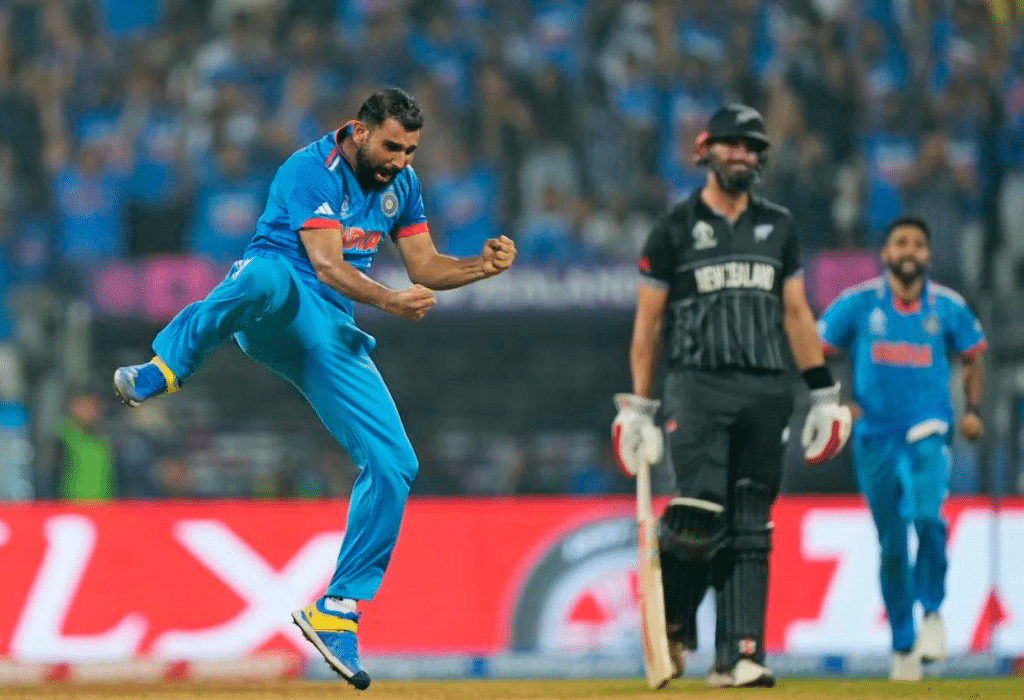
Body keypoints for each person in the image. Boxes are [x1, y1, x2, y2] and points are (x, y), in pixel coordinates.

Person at [112, 88, 516, 689]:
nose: (400, 160)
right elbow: (326, 264)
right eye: (391, 146)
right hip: (279, 304)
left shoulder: (401, 185)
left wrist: (480, 266)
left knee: (395, 464)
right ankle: (167, 366)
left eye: (409, 150)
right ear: (358, 130)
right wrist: (390, 301)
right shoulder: (308, 169)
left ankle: (338, 610)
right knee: (264, 275)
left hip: (330, 332)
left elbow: (426, 266)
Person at [611, 104, 851, 688]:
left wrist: (821, 393)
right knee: (697, 516)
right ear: (705, 151)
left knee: (751, 522)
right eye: (731, 145)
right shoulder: (672, 228)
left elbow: (796, 314)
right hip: (697, 386)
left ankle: (738, 655)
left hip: (767, 388)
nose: (742, 155)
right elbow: (648, 325)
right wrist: (639, 407)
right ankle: (672, 625)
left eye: (751, 148)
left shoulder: (779, 226)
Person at [817, 216, 985, 682]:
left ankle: (932, 612)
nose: (909, 250)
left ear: (928, 255)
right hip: (873, 438)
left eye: (917, 244)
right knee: (891, 546)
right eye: (900, 242)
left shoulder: (947, 307)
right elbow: (814, 347)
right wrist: (835, 403)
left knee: (928, 517)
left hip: (928, 429)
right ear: (886, 252)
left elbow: (973, 354)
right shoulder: (857, 304)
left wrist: (971, 408)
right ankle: (903, 642)